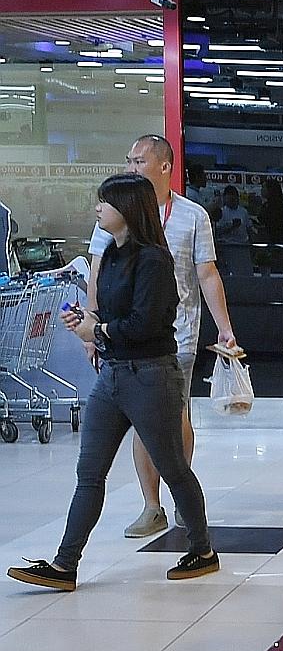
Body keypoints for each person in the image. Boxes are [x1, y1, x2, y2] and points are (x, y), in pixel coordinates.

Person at [8, 175, 218, 592]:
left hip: (151, 376)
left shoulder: (155, 261)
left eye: (105, 203)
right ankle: (65, 565)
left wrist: (98, 330)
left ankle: (203, 549)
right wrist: (86, 323)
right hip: (113, 375)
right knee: (89, 473)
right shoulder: (111, 253)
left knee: (173, 467)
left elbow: (148, 323)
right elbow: (104, 311)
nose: (98, 210)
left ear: (127, 209)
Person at [86, 135, 238, 539]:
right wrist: (92, 329)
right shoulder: (114, 215)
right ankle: (151, 505)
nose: (133, 167)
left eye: (140, 160)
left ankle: (185, 508)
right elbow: (96, 273)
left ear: (165, 166)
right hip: (121, 338)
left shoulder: (191, 216)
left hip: (178, 337)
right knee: (141, 423)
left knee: (174, 419)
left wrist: (224, 327)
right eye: (130, 160)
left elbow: (207, 273)